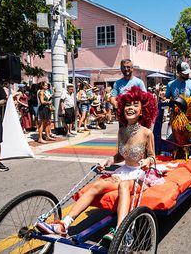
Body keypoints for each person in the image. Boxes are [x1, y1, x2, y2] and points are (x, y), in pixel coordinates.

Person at [36, 86, 158, 242]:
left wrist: (147, 161)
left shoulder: (147, 132)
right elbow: (120, 155)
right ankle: (64, 224)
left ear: (142, 111)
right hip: (124, 171)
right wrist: (108, 161)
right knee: (97, 185)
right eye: (128, 105)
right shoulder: (121, 131)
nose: (131, 108)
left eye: (135, 105)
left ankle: (120, 231)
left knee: (124, 186)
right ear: (122, 108)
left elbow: (153, 158)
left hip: (140, 175)